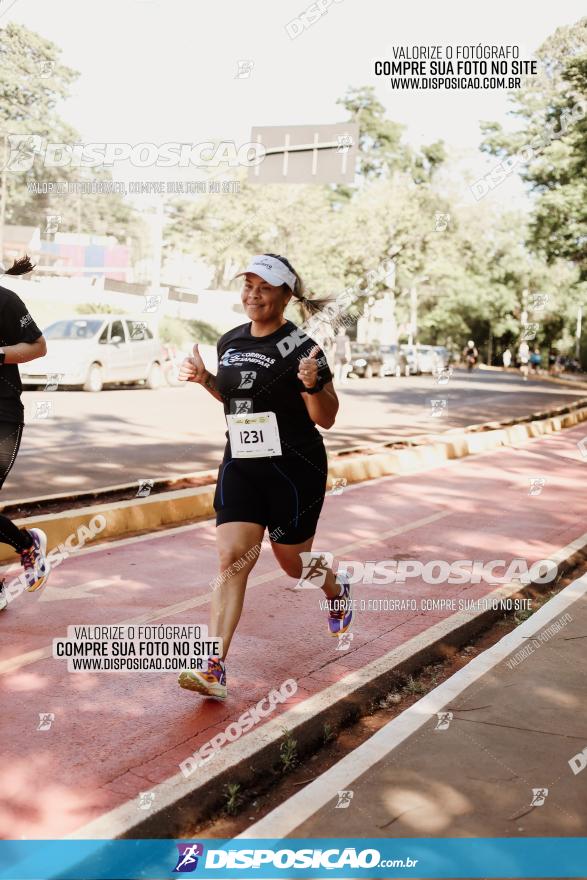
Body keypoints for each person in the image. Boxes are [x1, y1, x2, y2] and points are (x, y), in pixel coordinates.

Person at [176, 254, 351, 700]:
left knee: (293, 563)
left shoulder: (304, 347)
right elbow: (235, 398)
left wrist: (312, 385)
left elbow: (325, 417)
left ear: (286, 296)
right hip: (241, 463)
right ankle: (213, 665)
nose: (253, 294)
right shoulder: (229, 341)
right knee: (231, 559)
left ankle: (335, 586)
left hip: (294, 469)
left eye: (264, 287)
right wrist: (204, 380)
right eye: (248, 285)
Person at [0, 257, 50, 611]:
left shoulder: (6, 301)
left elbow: (37, 346)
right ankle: (26, 544)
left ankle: (28, 545)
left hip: (2, 414)